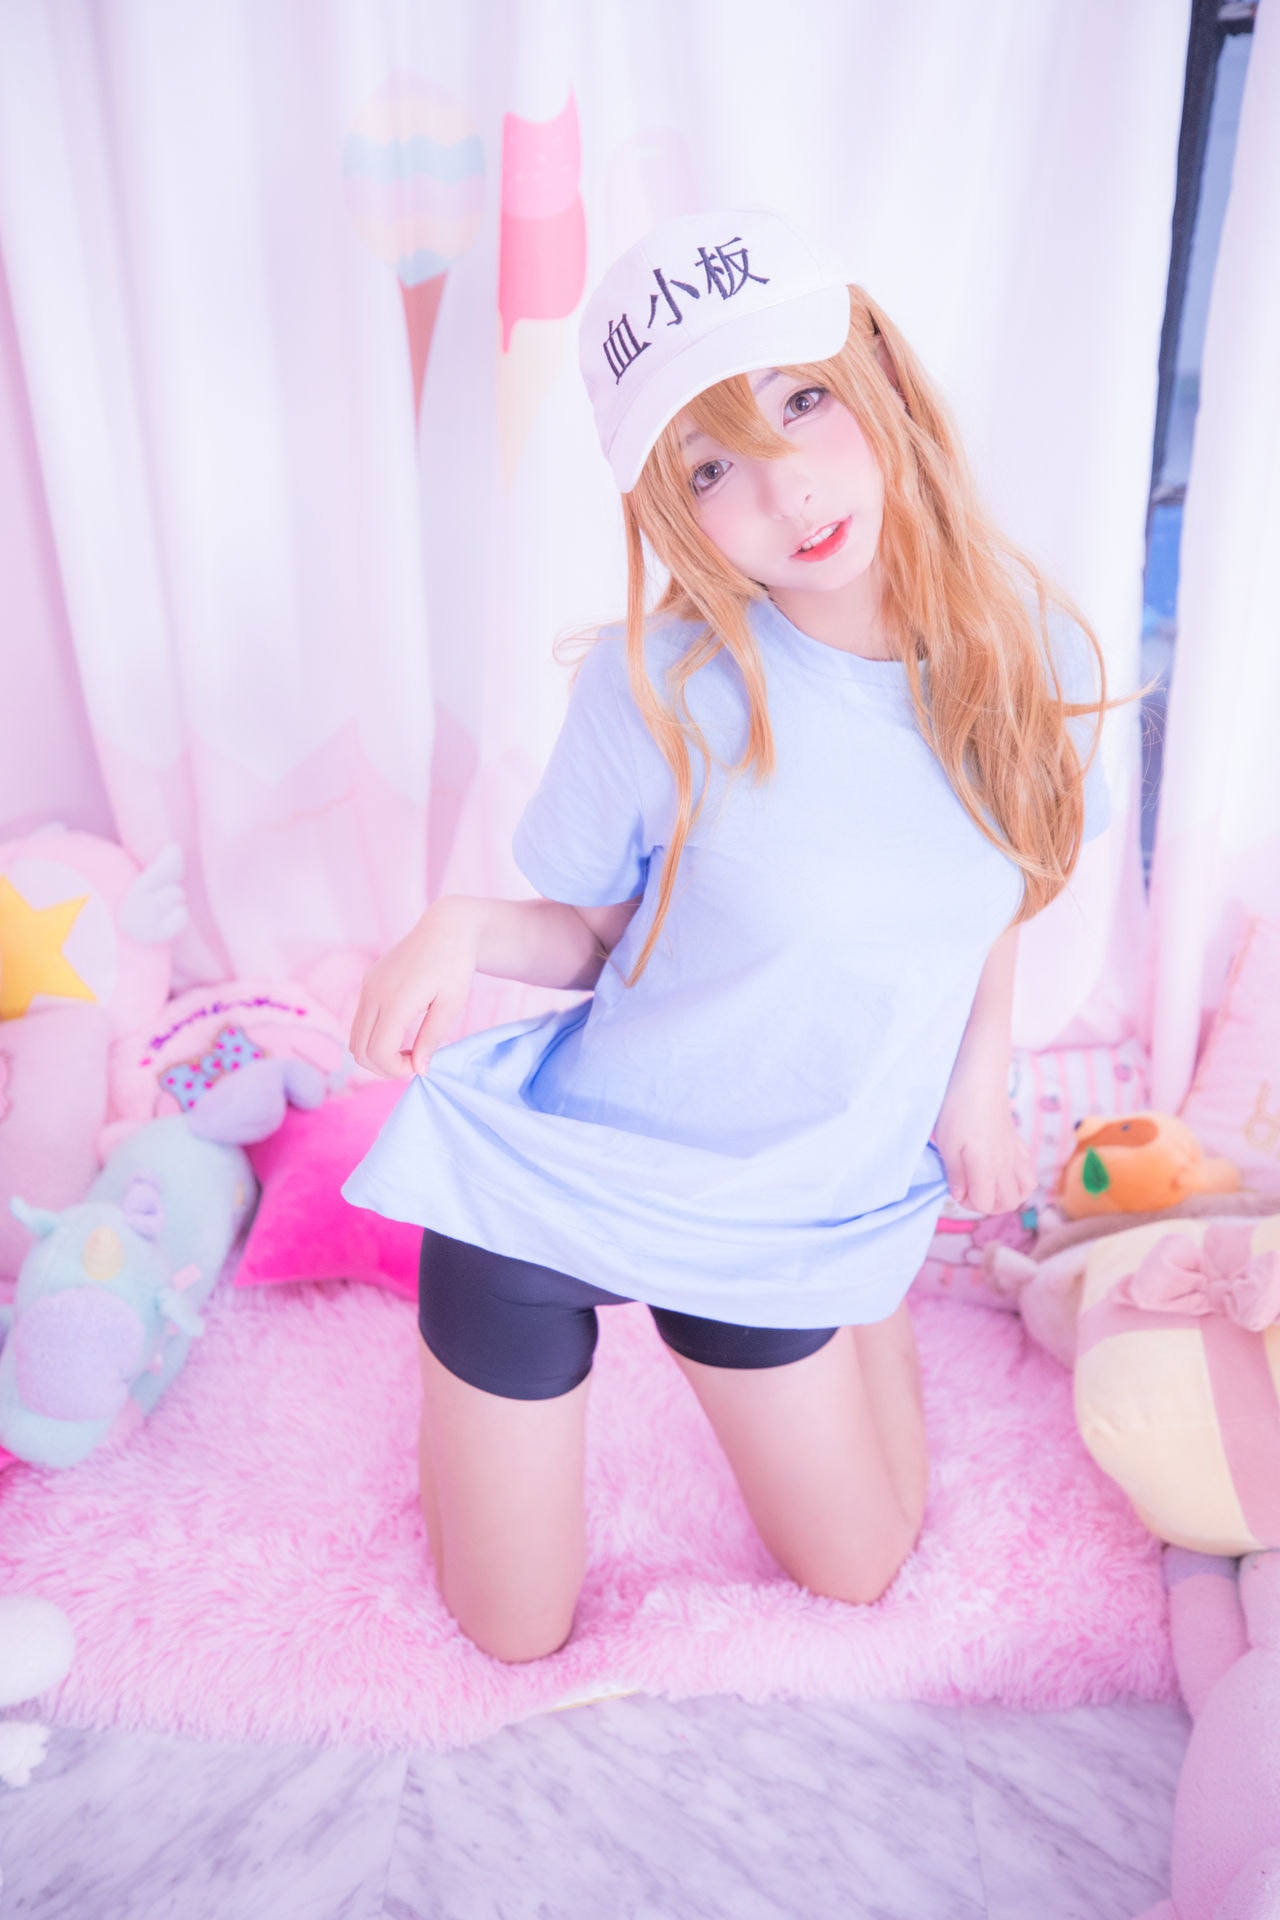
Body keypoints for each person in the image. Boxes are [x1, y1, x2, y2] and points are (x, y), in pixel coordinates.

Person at [343, 208, 1110, 1665]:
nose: (782, 486)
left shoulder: (1034, 654)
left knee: (865, 1575)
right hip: (557, 1190)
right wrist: (458, 927)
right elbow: (600, 943)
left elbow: (995, 880)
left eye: (802, 401)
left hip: (781, 1220)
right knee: (506, 1637)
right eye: (708, 467)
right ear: (669, 511)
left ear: (879, 371)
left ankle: (851, 1300)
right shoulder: (659, 689)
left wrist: (978, 1082)